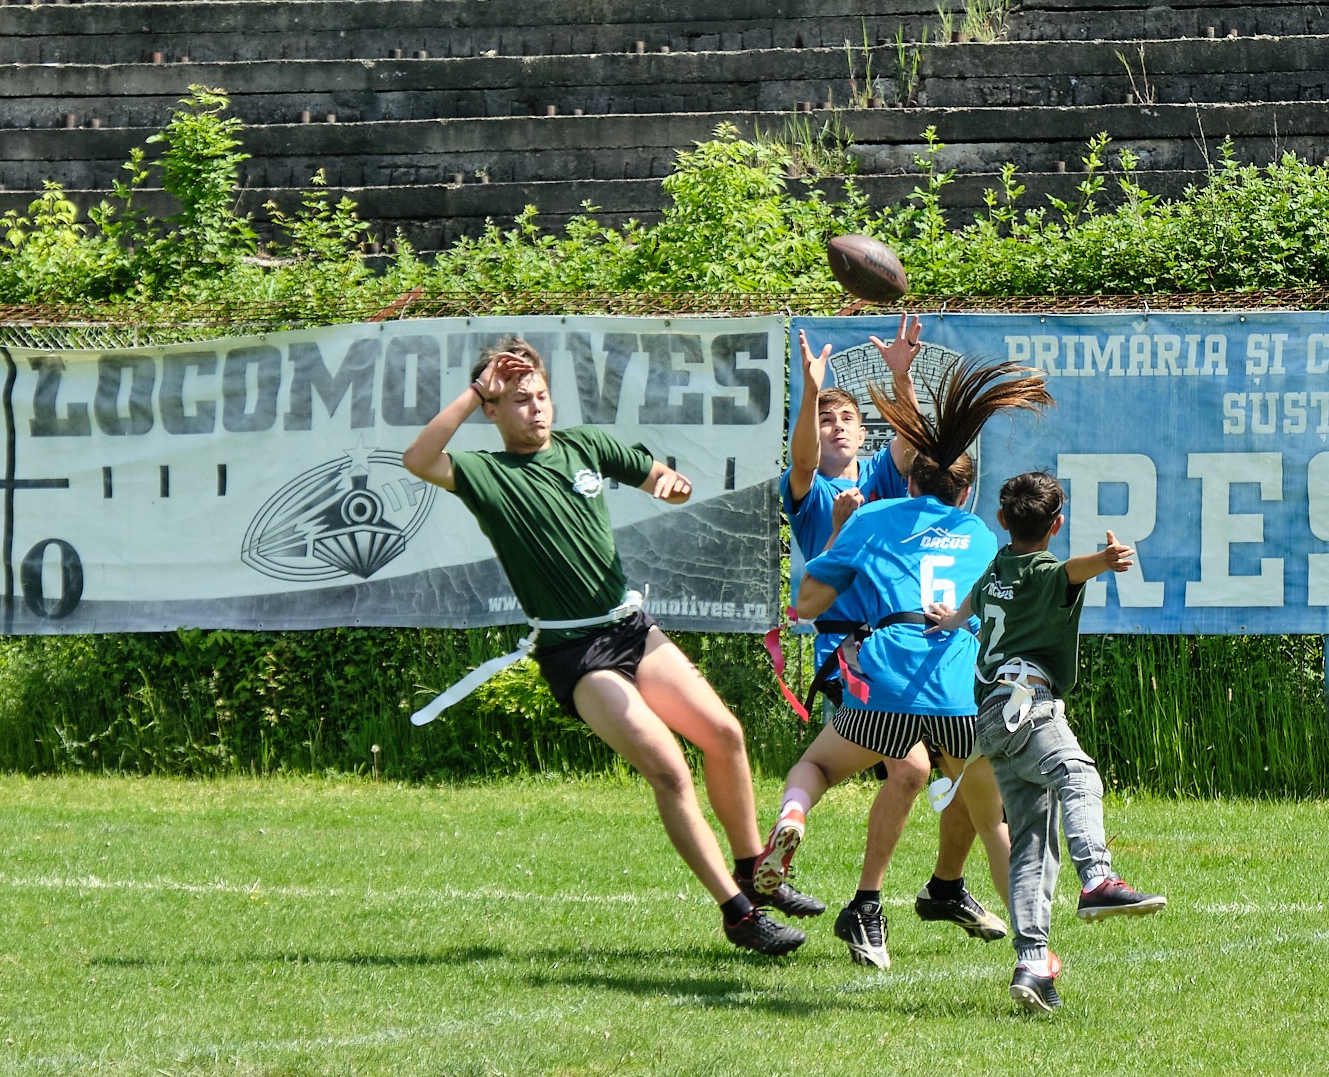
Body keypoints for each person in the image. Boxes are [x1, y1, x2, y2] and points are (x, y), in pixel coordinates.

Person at [403, 339, 806, 957]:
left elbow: (659, 477)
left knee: (725, 734)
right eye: (516, 400)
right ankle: (738, 913)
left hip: (630, 630)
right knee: (669, 770)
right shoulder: (487, 474)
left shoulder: (585, 446)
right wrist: (475, 389)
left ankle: (755, 870)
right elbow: (418, 457)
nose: (535, 409)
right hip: (575, 652)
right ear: (492, 409)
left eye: (540, 396)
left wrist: (670, 484)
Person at [758, 360, 1052, 968]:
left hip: (881, 674)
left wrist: (842, 545)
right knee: (984, 811)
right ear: (967, 494)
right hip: (957, 688)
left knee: (823, 763)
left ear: (907, 479)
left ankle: (855, 878)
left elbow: (805, 604)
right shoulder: (976, 536)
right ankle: (1034, 953)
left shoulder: (867, 511)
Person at [927, 470, 1168, 1013]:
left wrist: (951, 619)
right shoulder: (1043, 570)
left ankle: (1033, 959)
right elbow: (1067, 571)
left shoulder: (996, 570)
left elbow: (974, 602)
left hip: (989, 719)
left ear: (1001, 521)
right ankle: (1099, 878)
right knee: (1077, 774)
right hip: (1026, 707)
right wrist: (1103, 563)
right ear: (1056, 525)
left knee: (1032, 839)